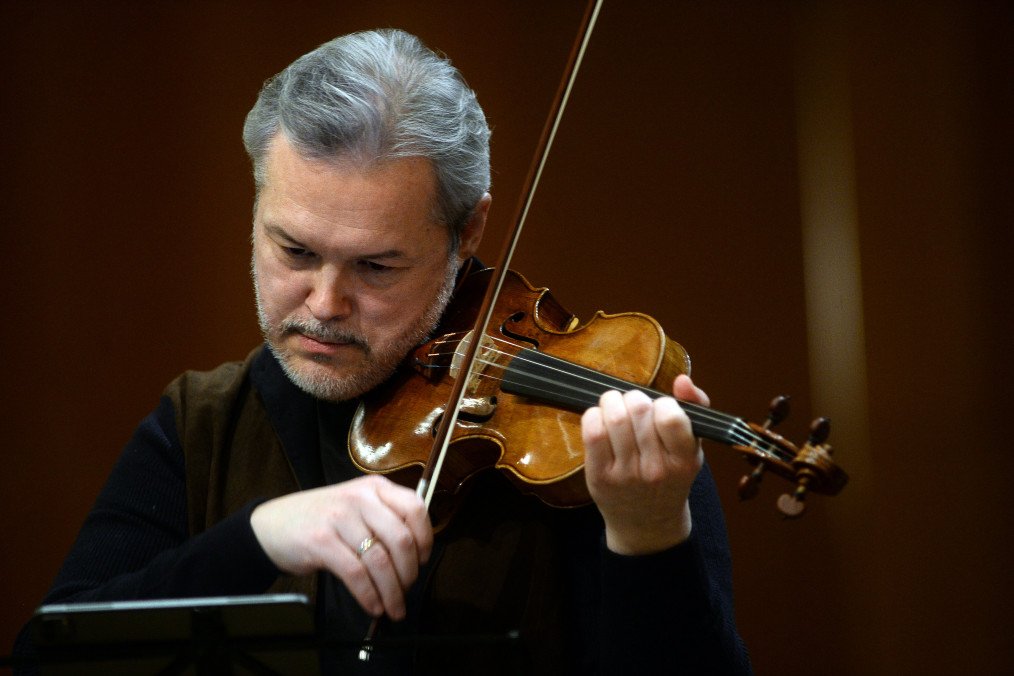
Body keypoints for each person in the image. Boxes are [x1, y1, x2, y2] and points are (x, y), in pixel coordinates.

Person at [15, 29, 750, 674]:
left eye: (376, 267)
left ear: (467, 232)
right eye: (293, 250)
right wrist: (259, 537)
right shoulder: (202, 424)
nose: (325, 303)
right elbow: (52, 654)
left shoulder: (594, 434)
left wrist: (650, 541)